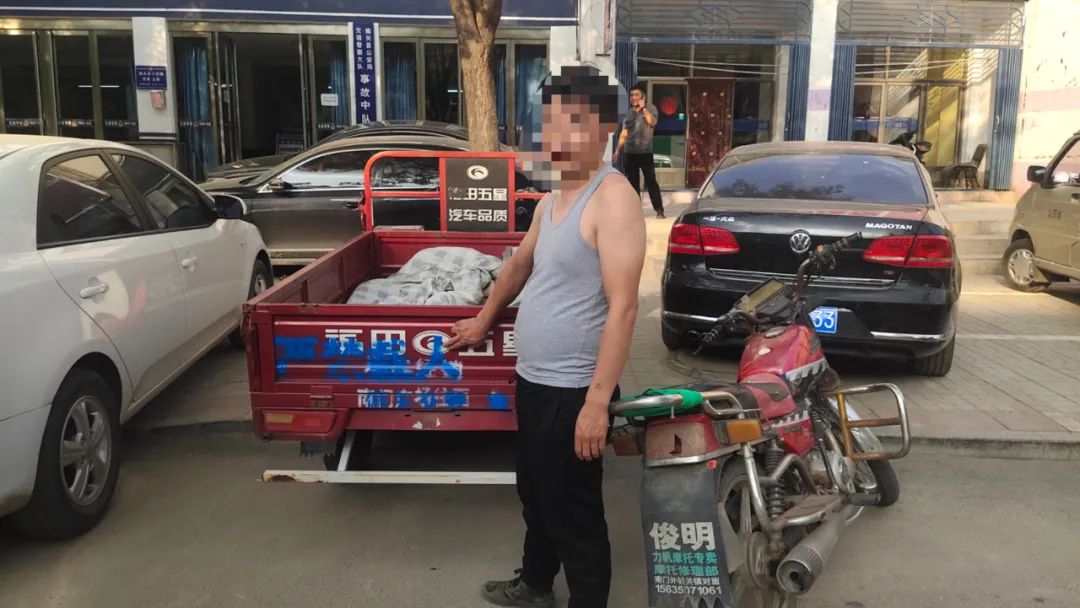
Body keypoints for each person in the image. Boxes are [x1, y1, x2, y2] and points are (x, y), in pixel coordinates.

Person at [446, 65, 646, 608]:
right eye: (551, 122)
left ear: (602, 129)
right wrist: (484, 319)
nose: (557, 135)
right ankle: (535, 585)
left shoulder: (613, 199)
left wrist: (597, 404)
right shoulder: (554, 197)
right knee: (536, 494)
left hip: (575, 390)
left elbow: (624, 307)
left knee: (574, 512)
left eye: (571, 123)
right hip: (535, 382)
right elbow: (518, 267)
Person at [614, 83, 665, 218]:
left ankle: (659, 209)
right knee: (632, 183)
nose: (633, 97)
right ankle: (636, 210)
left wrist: (644, 109)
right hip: (630, 152)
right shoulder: (628, 113)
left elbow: (652, 122)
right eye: (631, 95)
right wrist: (617, 150)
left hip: (645, 153)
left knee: (651, 181)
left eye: (636, 95)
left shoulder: (651, 109)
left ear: (643, 96)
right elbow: (624, 133)